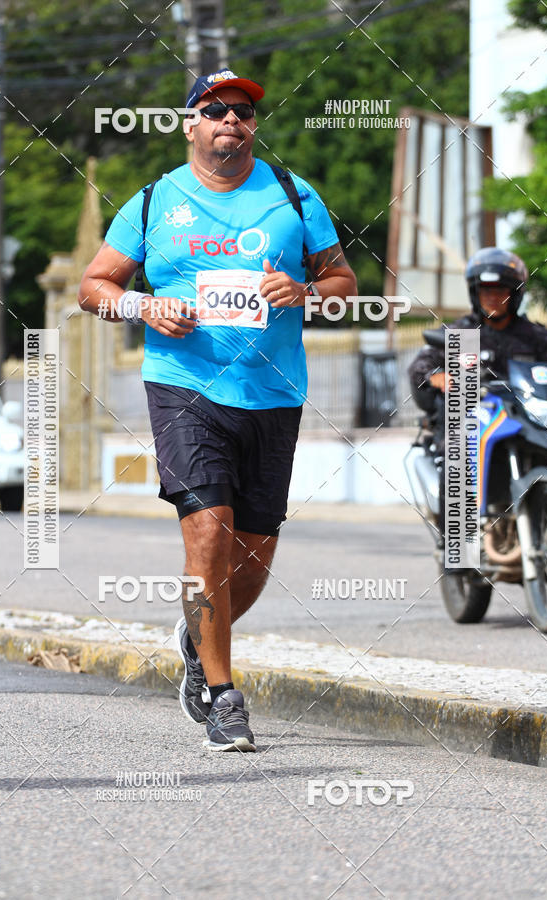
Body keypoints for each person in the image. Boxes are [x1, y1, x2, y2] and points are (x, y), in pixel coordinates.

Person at [78, 69, 357, 752]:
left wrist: (306, 291)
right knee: (208, 531)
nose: (232, 120)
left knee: (252, 558)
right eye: (215, 109)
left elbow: (345, 283)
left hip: (273, 393)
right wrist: (145, 305)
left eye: (244, 112)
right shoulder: (153, 202)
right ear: (190, 124)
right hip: (184, 386)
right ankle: (225, 695)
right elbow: (94, 286)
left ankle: (196, 637)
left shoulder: (294, 196)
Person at [408, 246, 547, 542]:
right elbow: (420, 368)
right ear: (475, 294)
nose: (492, 297)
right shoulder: (463, 333)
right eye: (485, 291)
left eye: (500, 290)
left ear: (515, 294)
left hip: (528, 422)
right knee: (458, 448)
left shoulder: (535, 336)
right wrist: (438, 377)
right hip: (473, 421)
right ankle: (459, 544)